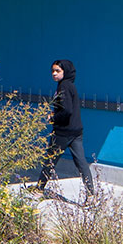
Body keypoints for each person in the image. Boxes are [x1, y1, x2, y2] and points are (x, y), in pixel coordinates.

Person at [38, 58, 99, 204]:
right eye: (52, 71)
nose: (54, 73)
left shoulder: (63, 86)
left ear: (65, 72)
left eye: (58, 71)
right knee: (81, 162)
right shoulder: (70, 85)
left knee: (50, 160)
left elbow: (66, 110)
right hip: (76, 131)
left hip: (63, 132)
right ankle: (91, 195)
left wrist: (53, 118)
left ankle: (39, 190)